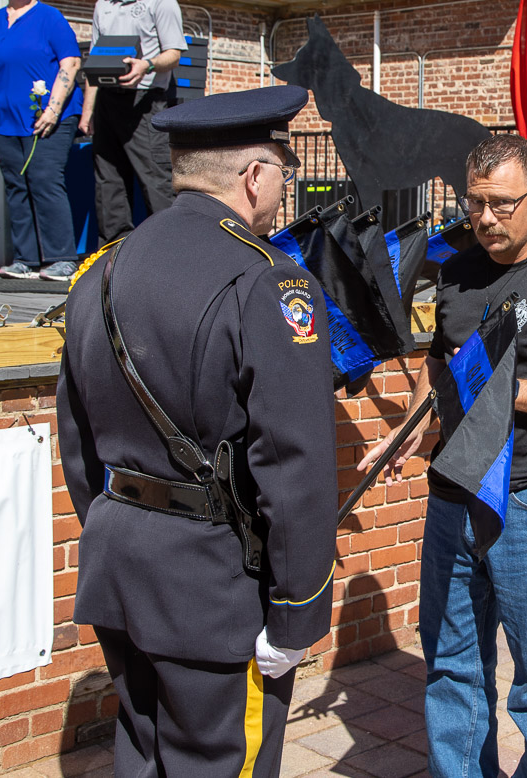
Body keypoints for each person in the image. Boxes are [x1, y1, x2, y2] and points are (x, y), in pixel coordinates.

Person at [57, 85, 338, 777]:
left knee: (143, 752)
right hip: (215, 589)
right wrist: (297, 611)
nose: (284, 189)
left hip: (121, 563)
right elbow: (295, 466)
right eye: (283, 172)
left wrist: (123, 526)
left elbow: (76, 436)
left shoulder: (100, 271)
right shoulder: (269, 282)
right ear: (254, 176)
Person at [359, 134, 527, 778]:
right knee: (451, 668)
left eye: (502, 203)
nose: (485, 218)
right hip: (452, 497)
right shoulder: (457, 272)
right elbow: (439, 361)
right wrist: (414, 422)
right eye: (475, 203)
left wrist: (506, 389)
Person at [0, 0, 82, 281]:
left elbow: (71, 62)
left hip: (46, 116)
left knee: (44, 179)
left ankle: (62, 258)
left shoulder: (50, 17)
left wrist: (53, 109)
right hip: (2, 117)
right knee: (15, 185)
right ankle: (25, 259)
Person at [79, 0, 187, 245]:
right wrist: (88, 112)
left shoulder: (161, 3)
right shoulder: (103, 5)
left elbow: (174, 55)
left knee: (155, 180)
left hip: (145, 100)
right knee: (108, 180)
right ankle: (113, 252)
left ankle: (169, 249)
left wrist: (147, 65)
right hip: (107, 99)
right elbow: (95, 63)